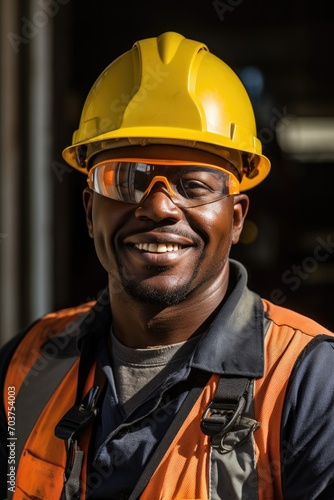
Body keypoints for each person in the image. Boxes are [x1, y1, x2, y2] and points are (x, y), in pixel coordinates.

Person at [1, 30, 334, 500]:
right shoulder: (27, 365)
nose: (159, 208)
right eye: (127, 178)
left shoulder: (311, 384)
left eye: (194, 184)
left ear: (236, 218)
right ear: (89, 209)